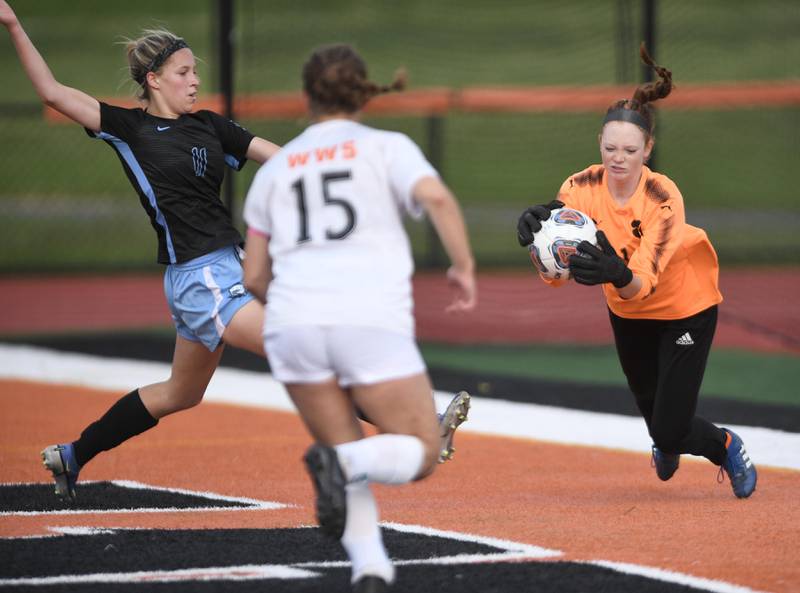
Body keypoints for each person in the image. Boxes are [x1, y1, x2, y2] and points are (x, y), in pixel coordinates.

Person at [1, 2, 470, 503]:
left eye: (196, 71)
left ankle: (71, 456)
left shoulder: (210, 126)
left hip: (226, 269)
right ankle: (424, 425)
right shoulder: (130, 128)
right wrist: (11, 23)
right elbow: (51, 92)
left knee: (180, 394)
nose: (194, 80)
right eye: (183, 72)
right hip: (199, 277)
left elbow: (287, 158)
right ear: (154, 80)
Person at [242, 44, 477, 592]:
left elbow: (253, 277)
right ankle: (344, 480)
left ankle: (371, 569)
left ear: (306, 98)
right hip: (367, 319)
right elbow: (437, 200)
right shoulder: (386, 147)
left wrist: (300, 307)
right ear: (361, 91)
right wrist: (463, 265)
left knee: (346, 451)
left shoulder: (276, 170)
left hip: (292, 326)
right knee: (418, 452)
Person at [516, 44, 757, 499]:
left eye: (629, 149)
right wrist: (534, 235)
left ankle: (724, 444)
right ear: (599, 145)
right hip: (629, 316)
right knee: (654, 415)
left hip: (686, 308)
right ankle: (669, 438)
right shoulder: (578, 187)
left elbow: (641, 283)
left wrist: (615, 272)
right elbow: (557, 270)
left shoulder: (665, 198)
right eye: (610, 147)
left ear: (648, 148)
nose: (618, 158)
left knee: (669, 431)